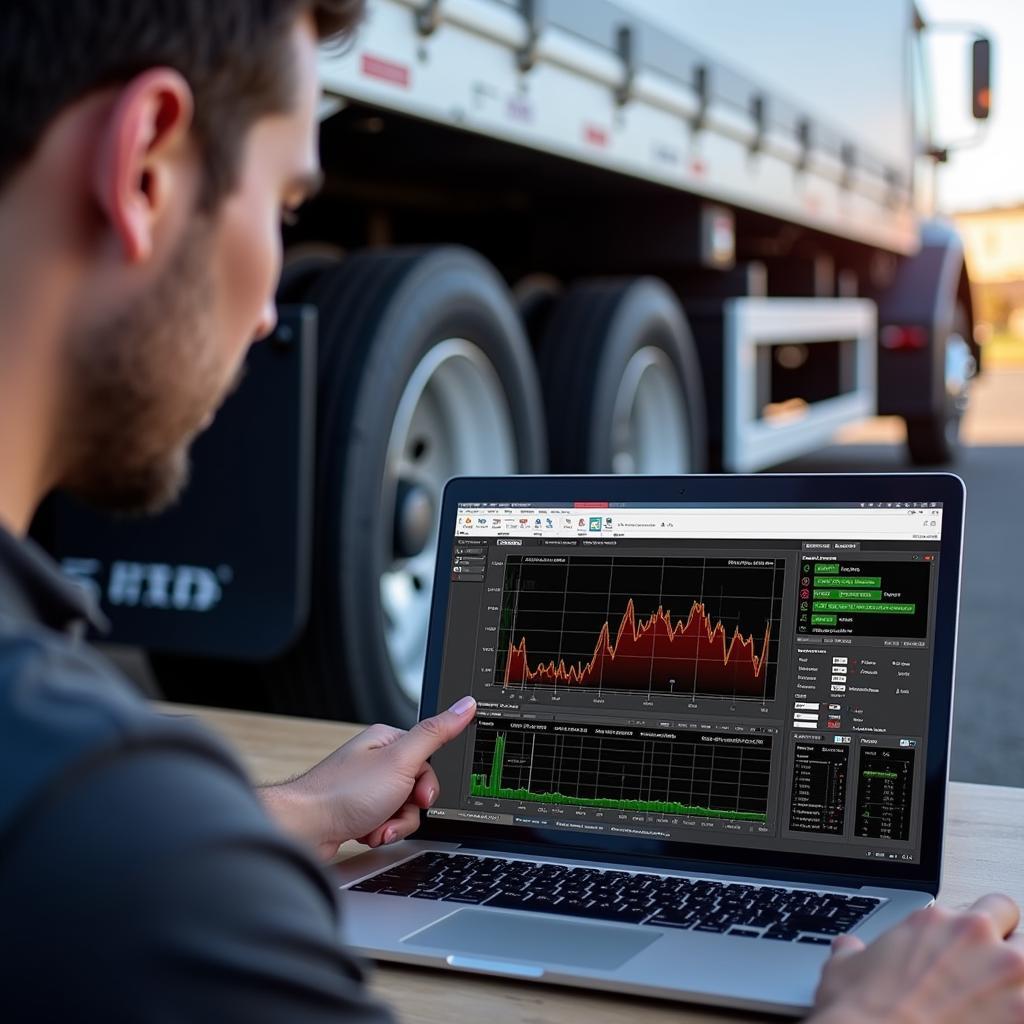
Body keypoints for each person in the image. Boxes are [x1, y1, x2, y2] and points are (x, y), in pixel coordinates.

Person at [0, 1, 1020, 1021]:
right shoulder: (99, 825)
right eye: (283, 205)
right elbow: (104, 851)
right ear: (144, 167)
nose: (273, 310)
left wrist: (295, 811)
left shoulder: (84, 802)